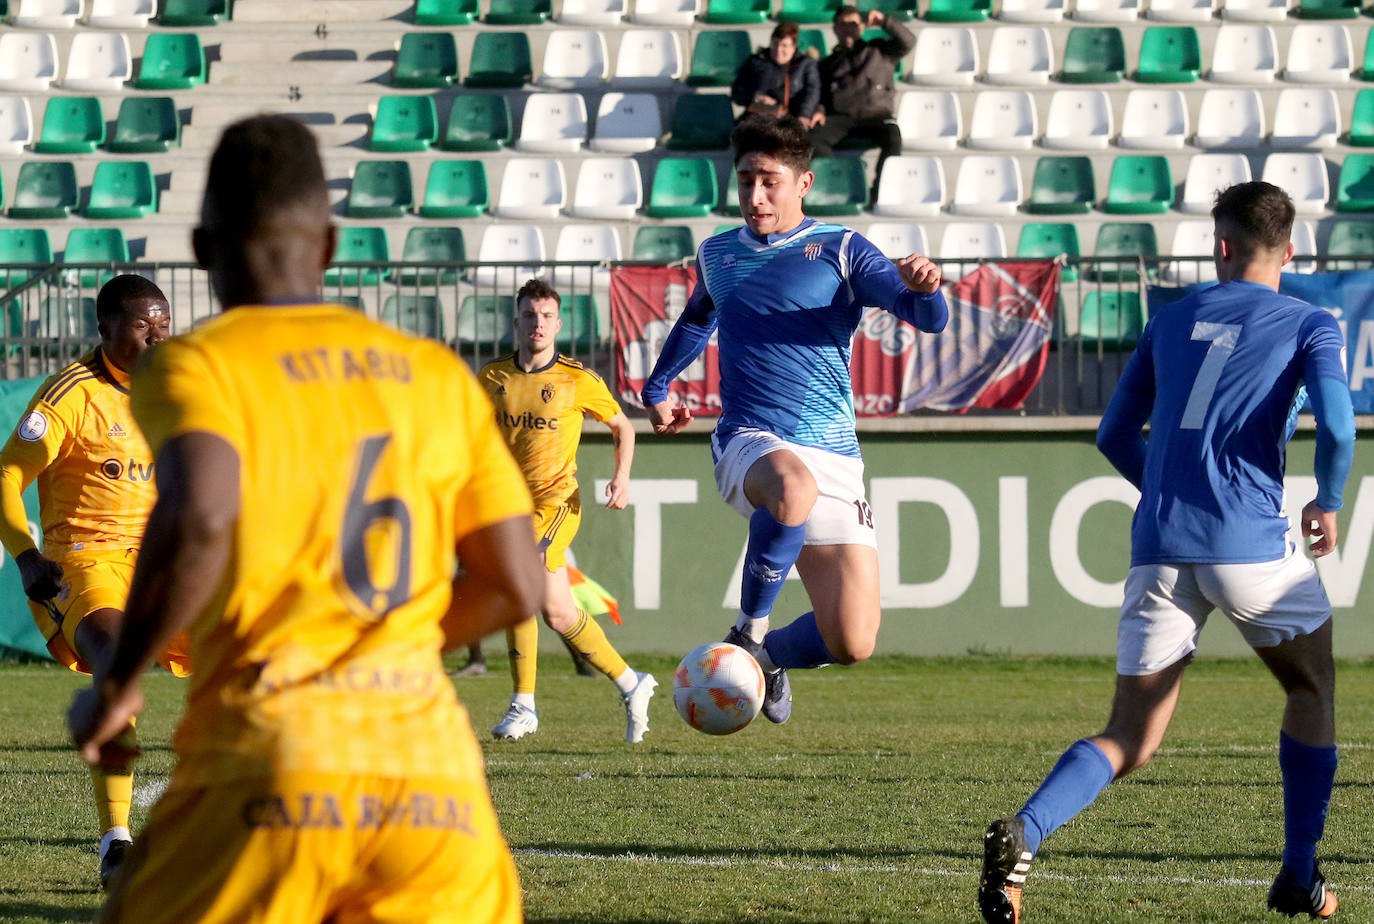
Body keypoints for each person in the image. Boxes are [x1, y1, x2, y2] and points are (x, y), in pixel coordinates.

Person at [67, 114, 545, 923]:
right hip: (436, 794)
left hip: (267, 770)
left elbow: (203, 511)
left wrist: (118, 681)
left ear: (201, 248)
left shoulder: (197, 362)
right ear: (327, 245)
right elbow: (516, 583)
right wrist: (382, 649)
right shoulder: (435, 374)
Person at [978, 181, 1356, 923]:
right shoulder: (1312, 321)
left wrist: (1167, 487)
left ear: (1220, 246)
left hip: (1158, 545)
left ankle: (1027, 831)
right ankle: (1299, 874)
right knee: (1311, 690)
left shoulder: (1172, 319)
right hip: (1248, 543)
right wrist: (1328, 502)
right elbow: (1339, 431)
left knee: (1130, 735)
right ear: (1292, 250)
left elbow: (1114, 436)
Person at [641, 114, 947, 724]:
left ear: (803, 183)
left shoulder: (840, 249)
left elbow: (927, 318)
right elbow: (701, 316)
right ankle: (748, 631)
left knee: (852, 640)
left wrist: (927, 288)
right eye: (746, 180)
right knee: (791, 487)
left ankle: (769, 658)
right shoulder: (718, 253)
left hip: (834, 454)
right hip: (750, 441)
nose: (755, 196)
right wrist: (657, 385)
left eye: (769, 181)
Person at [0, 273, 186, 888]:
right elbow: (6, 476)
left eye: (164, 321)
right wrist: (27, 556)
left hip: (164, 559)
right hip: (86, 561)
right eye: (142, 324)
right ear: (104, 329)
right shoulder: (72, 394)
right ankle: (116, 842)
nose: (158, 333)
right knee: (115, 658)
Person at [480, 278, 656, 743]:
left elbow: (623, 427)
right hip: (509, 506)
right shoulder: (493, 377)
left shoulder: (577, 380)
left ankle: (524, 705)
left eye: (546, 316)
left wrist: (622, 477)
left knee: (518, 577)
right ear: (516, 322)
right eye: (529, 315)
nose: (537, 324)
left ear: (558, 324)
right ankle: (632, 683)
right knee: (558, 612)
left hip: (556, 502)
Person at [810, 5, 913, 174]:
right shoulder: (828, 63)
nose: (848, 28)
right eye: (843, 24)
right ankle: (836, 184)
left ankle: (881, 191)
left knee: (893, 136)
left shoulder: (881, 51)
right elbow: (820, 95)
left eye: (853, 23)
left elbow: (908, 41)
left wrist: (884, 21)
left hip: (876, 115)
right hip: (842, 117)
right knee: (813, 138)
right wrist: (819, 109)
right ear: (835, 28)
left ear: (862, 27)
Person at [731, 21, 821, 124]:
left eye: (784, 45)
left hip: (791, 118)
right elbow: (737, 92)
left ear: (793, 47)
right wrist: (755, 97)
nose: (778, 50)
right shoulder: (756, 62)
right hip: (758, 118)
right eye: (775, 44)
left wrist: (804, 114)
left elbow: (812, 92)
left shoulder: (805, 64)